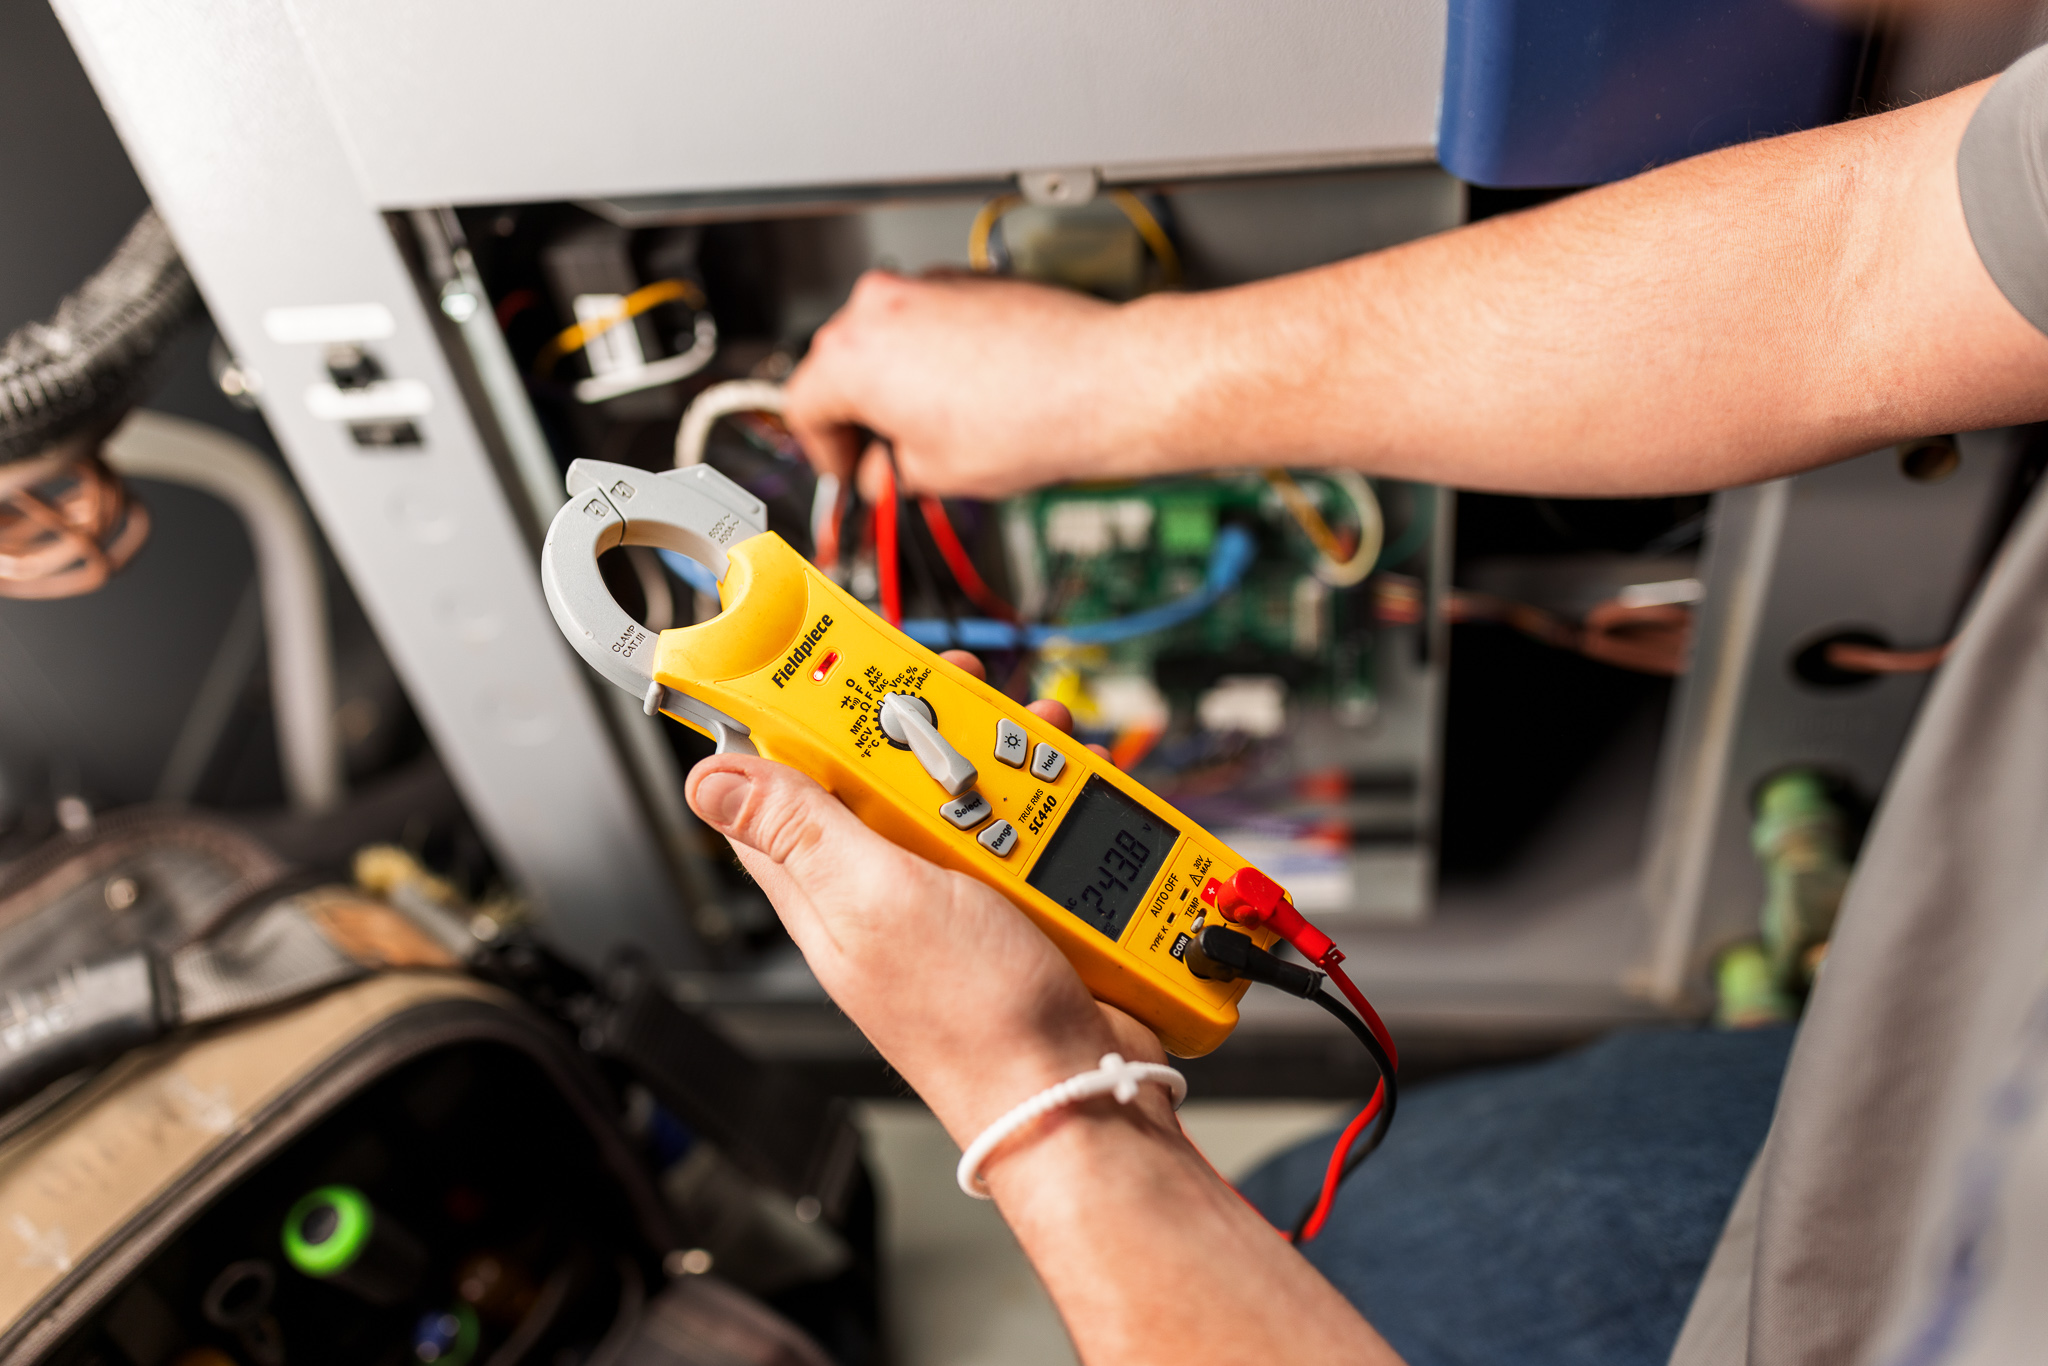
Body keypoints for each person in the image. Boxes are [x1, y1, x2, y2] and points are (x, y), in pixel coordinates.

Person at [684, 47, 2048, 1366]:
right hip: (1952, 1077)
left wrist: (1040, 1098)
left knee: (1308, 1234)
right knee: (1319, 1217)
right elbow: (1874, 253)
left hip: (1932, 1226)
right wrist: (1104, 385)